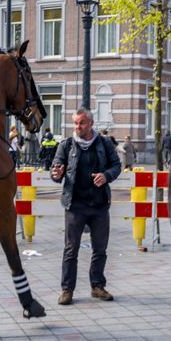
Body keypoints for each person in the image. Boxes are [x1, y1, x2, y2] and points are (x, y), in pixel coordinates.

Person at [51, 109, 121, 305]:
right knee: (70, 249)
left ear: (90, 123)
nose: (77, 127)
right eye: (75, 123)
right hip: (75, 205)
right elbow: (56, 167)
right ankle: (67, 290)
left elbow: (117, 165)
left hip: (99, 205)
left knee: (100, 249)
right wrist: (56, 173)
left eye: (81, 123)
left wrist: (106, 175)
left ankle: (97, 286)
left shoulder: (104, 143)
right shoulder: (66, 145)